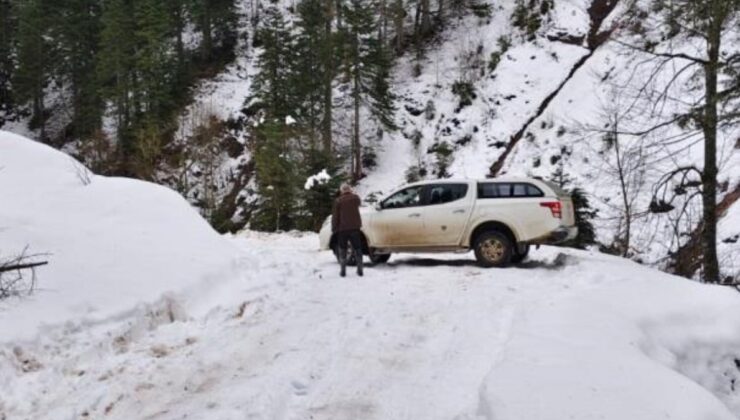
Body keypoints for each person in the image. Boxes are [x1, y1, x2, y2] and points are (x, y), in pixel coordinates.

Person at [332, 183, 363, 277]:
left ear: (342, 191)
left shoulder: (338, 201)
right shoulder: (355, 198)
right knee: (357, 249)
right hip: (354, 228)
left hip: (343, 229)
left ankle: (343, 271)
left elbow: (335, 217)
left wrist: (334, 228)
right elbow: (359, 203)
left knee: (343, 249)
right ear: (350, 190)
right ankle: (360, 269)